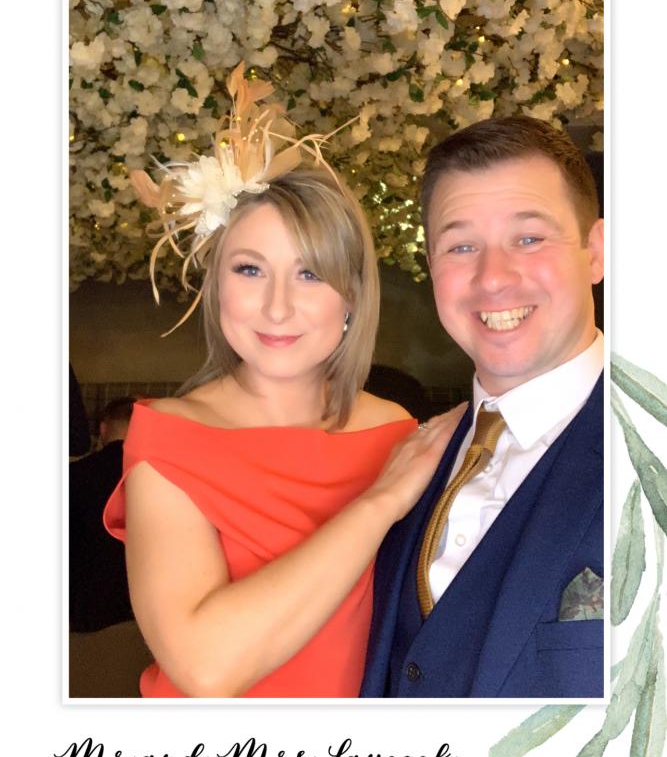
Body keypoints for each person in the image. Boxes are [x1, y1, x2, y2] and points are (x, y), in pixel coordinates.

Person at [103, 63, 464, 698]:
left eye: (309, 274)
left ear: (351, 296)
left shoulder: (397, 432)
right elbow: (206, 668)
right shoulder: (168, 440)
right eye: (249, 270)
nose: (276, 307)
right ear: (217, 287)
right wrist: (380, 502)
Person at [361, 116, 604, 698]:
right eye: (461, 246)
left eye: (529, 238)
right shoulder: (409, 457)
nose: (492, 278)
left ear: (596, 252)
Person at [70, 396, 135, 632]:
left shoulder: (73, 475)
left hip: (85, 609)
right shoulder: (162, 476)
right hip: (141, 607)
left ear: (103, 429)